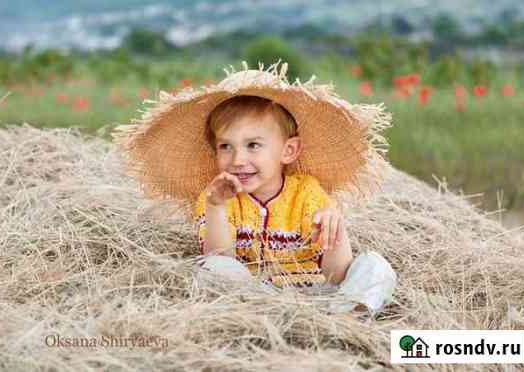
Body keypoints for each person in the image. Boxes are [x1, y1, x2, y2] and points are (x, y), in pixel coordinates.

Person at [113, 60, 397, 314]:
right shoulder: (216, 197)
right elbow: (221, 257)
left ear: (288, 150)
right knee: (212, 268)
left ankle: (344, 316)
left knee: (376, 266)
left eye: (253, 145)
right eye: (226, 146)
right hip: (252, 294)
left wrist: (336, 230)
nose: (238, 160)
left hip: (315, 296)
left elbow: (335, 275)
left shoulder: (308, 193)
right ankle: (260, 314)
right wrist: (216, 207)